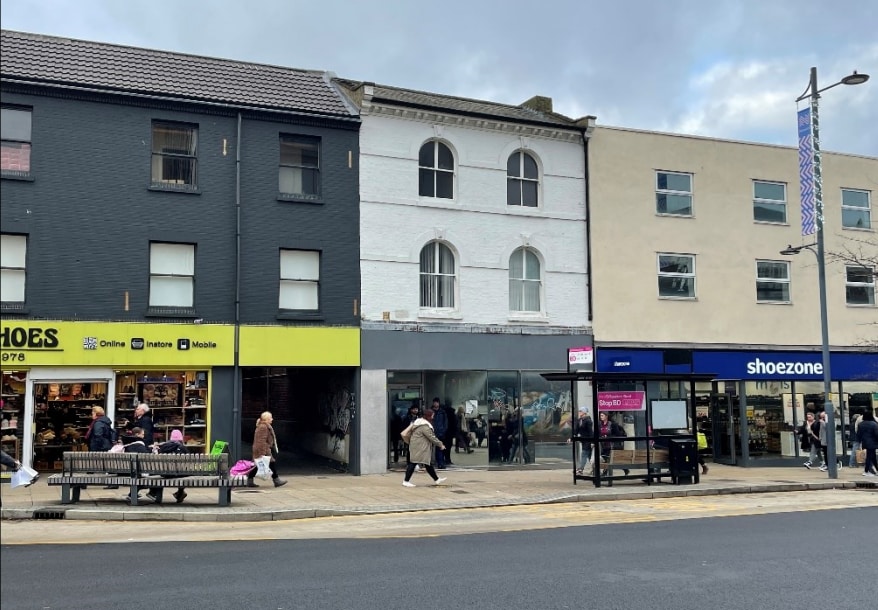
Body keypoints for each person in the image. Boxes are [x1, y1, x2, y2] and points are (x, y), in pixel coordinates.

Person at [401, 407, 447, 487]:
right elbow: (431, 437)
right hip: (419, 447)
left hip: (417, 446)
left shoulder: (419, 423)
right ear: (429, 416)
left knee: (427, 463)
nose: (433, 417)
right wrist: (440, 444)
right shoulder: (424, 425)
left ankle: (437, 479)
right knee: (413, 463)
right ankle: (406, 481)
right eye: (432, 415)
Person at [246, 411, 287, 488]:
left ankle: (250, 480)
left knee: (257, 465)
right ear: (266, 419)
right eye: (271, 417)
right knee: (270, 463)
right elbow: (261, 440)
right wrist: (262, 453)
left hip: (263, 448)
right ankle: (276, 480)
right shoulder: (263, 427)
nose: (272, 419)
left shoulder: (264, 426)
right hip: (262, 449)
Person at [855, 410, 878, 476]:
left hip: (864, 442)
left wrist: (859, 442)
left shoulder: (861, 424)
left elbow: (858, 434)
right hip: (872, 443)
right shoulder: (874, 424)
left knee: (872, 456)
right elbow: (876, 434)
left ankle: (876, 470)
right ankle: (866, 471)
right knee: (869, 456)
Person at [430, 398, 448, 469]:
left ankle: (440, 463)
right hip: (431, 432)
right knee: (429, 449)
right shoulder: (430, 411)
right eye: (435, 402)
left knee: (440, 448)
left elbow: (445, 422)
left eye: (437, 402)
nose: (436, 404)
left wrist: (443, 430)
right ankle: (430, 463)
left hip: (440, 433)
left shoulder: (442, 412)